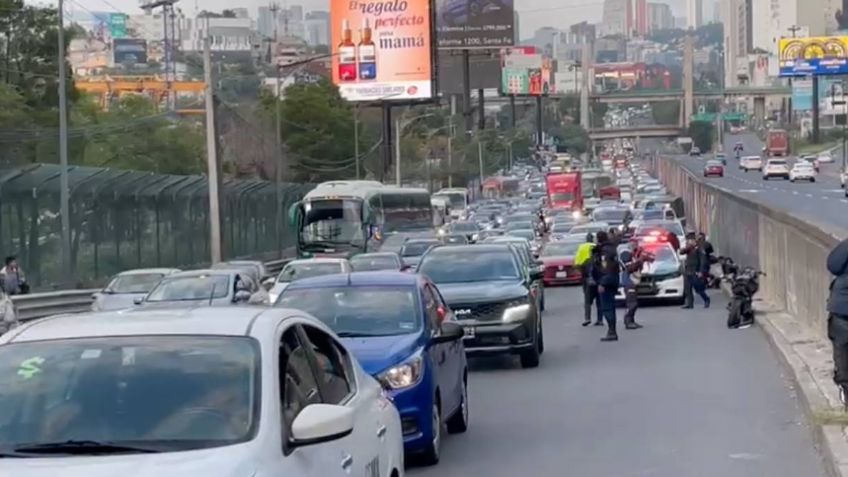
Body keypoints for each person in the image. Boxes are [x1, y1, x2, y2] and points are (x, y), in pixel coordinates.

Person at [827, 238, 848, 407]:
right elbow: (833, 265)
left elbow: (833, 265)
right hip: (842, 312)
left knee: (843, 359)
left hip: (841, 312)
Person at [592, 231, 620, 341]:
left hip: (607, 282)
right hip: (612, 280)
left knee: (607, 307)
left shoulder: (605, 252)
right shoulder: (611, 248)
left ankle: (612, 331)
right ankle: (611, 331)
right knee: (610, 306)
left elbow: (606, 268)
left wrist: (603, 283)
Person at [619, 239, 648, 330]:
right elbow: (629, 268)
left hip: (633, 281)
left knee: (634, 303)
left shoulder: (633, 255)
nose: (637, 246)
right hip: (629, 281)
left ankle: (631, 320)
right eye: (635, 244)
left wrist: (641, 261)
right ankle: (628, 321)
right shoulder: (626, 254)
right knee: (632, 303)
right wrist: (639, 261)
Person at [575, 233, 601, 327]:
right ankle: (600, 319)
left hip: (587, 279)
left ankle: (587, 318)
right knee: (599, 300)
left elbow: (577, 262)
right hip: (598, 280)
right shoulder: (596, 247)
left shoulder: (581, 247)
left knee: (587, 301)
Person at [680, 234, 710, 308]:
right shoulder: (689, 249)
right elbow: (681, 252)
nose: (689, 242)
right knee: (688, 289)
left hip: (695, 271)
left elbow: (703, 260)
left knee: (698, 289)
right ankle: (690, 304)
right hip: (687, 271)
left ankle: (706, 299)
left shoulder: (699, 248)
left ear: (694, 241)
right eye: (688, 241)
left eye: (691, 241)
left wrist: (701, 271)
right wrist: (688, 247)